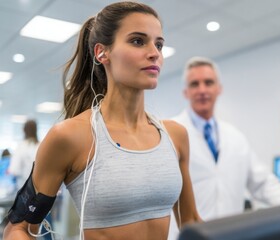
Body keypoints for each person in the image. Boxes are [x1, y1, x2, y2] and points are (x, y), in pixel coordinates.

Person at [3, 2, 201, 240]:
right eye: (138, 41)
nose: (154, 52)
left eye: (158, 44)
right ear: (101, 52)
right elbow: (18, 228)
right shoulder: (71, 136)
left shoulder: (175, 136)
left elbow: (190, 222)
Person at [168, 56, 280, 239]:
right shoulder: (170, 133)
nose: (202, 90)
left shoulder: (235, 136)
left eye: (208, 82)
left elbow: (262, 183)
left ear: (218, 89)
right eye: (195, 84)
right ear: (186, 92)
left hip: (229, 234)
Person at [8, 120, 39, 189]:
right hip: (41, 189)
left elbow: (14, 170)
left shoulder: (21, 147)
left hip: (24, 189)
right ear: (36, 130)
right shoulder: (41, 146)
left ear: (24, 130)